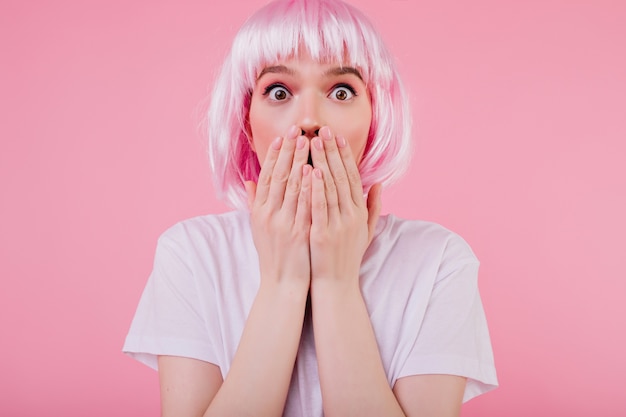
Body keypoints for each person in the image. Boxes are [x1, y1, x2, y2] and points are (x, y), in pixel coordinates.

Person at [123, 0, 498, 415]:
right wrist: (283, 280)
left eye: (341, 91)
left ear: (375, 119)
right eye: (278, 91)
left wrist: (336, 281)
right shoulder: (191, 254)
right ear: (246, 122)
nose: (308, 119)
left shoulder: (438, 261)